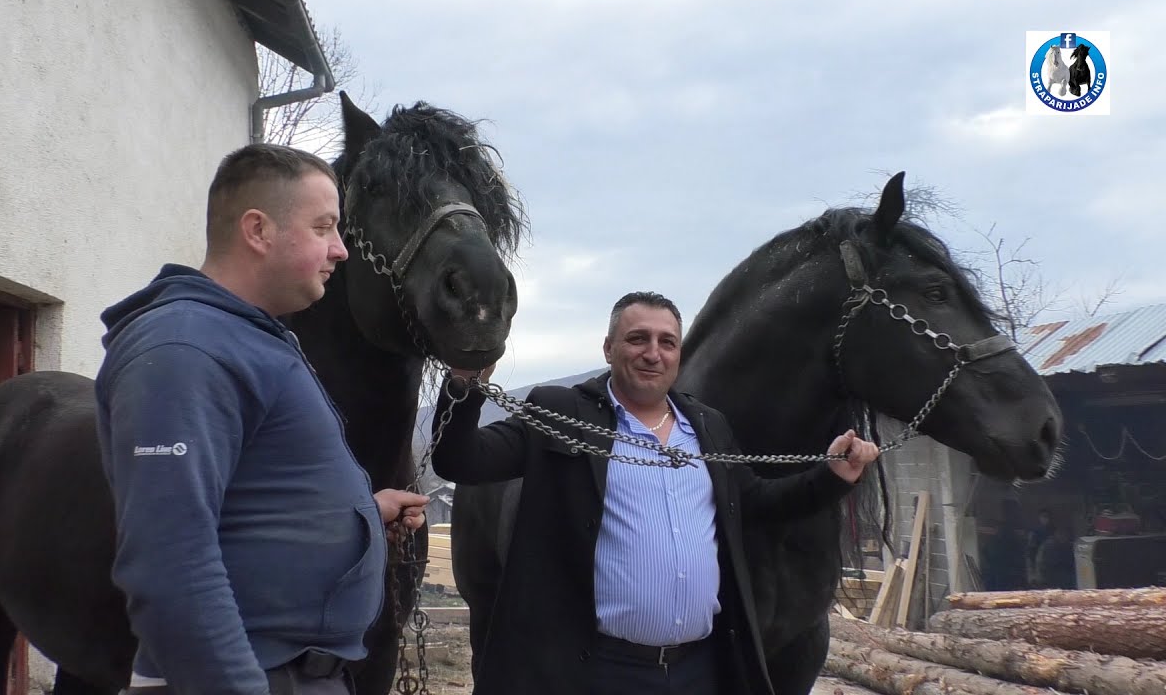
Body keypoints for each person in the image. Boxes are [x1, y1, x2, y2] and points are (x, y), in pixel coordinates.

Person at [95, 143, 429, 695]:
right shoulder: (186, 348)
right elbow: (168, 560)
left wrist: (361, 513)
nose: (341, 250)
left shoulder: (244, 339)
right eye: (324, 227)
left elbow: (246, 504)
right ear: (257, 230)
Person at [430, 291, 880, 695]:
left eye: (667, 342)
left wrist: (832, 476)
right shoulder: (560, 412)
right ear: (608, 349)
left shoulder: (707, 427)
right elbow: (461, 461)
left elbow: (757, 502)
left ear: (678, 355)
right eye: (637, 339)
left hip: (698, 670)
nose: (653, 353)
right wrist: (463, 387)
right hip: (598, 671)